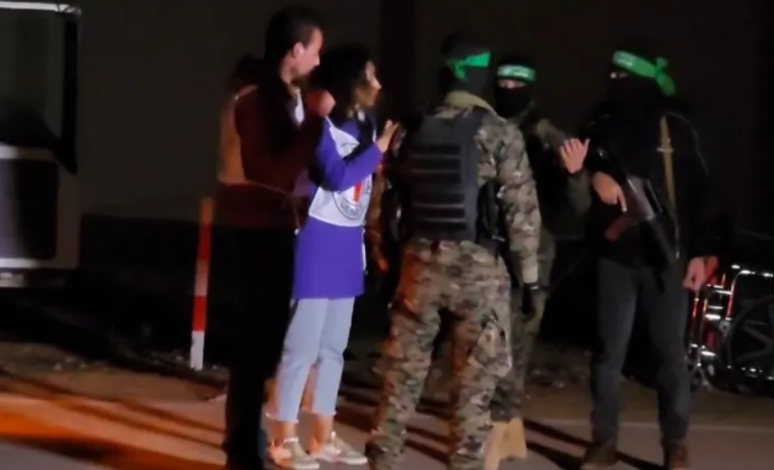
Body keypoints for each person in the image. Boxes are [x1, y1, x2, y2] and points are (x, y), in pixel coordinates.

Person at [364, 34, 542, 470]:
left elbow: (380, 204)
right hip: (479, 275)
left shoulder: (411, 128)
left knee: (401, 377)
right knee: (473, 388)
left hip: (419, 268)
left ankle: (383, 457)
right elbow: (521, 215)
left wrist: (387, 261)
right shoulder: (498, 132)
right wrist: (530, 280)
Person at [579, 42, 717, 470]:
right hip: (615, 256)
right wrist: (594, 176)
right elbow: (578, 163)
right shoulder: (600, 121)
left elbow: (702, 193)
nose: (615, 83)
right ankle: (604, 442)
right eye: (612, 75)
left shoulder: (675, 125)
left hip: (666, 257)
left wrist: (701, 253)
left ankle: (675, 443)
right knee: (608, 354)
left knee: (670, 356)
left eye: (624, 77)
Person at [268, 44, 398, 470]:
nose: (377, 85)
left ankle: (322, 437)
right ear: (350, 82)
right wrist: (379, 149)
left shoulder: (367, 125)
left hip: (347, 244)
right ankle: (283, 439)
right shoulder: (319, 126)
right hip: (317, 241)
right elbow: (338, 176)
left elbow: (366, 186)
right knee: (301, 347)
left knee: (333, 349)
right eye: (369, 76)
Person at [217, 6, 326, 470]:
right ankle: (242, 452)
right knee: (253, 348)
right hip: (255, 232)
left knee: (261, 347)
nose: (318, 61)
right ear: (296, 50)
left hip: (269, 227)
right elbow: (270, 173)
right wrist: (316, 122)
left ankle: (248, 445)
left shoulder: (275, 95)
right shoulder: (256, 99)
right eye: (315, 50)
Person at [484, 54, 591, 467]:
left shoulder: (546, 135)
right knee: (493, 339)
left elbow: (578, 205)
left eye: (517, 84)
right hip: (489, 246)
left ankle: (499, 430)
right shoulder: (486, 123)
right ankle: (509, 429)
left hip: (532, 253)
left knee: (516, 341)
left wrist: (574, 174)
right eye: (503, 84)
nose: (508, 90)